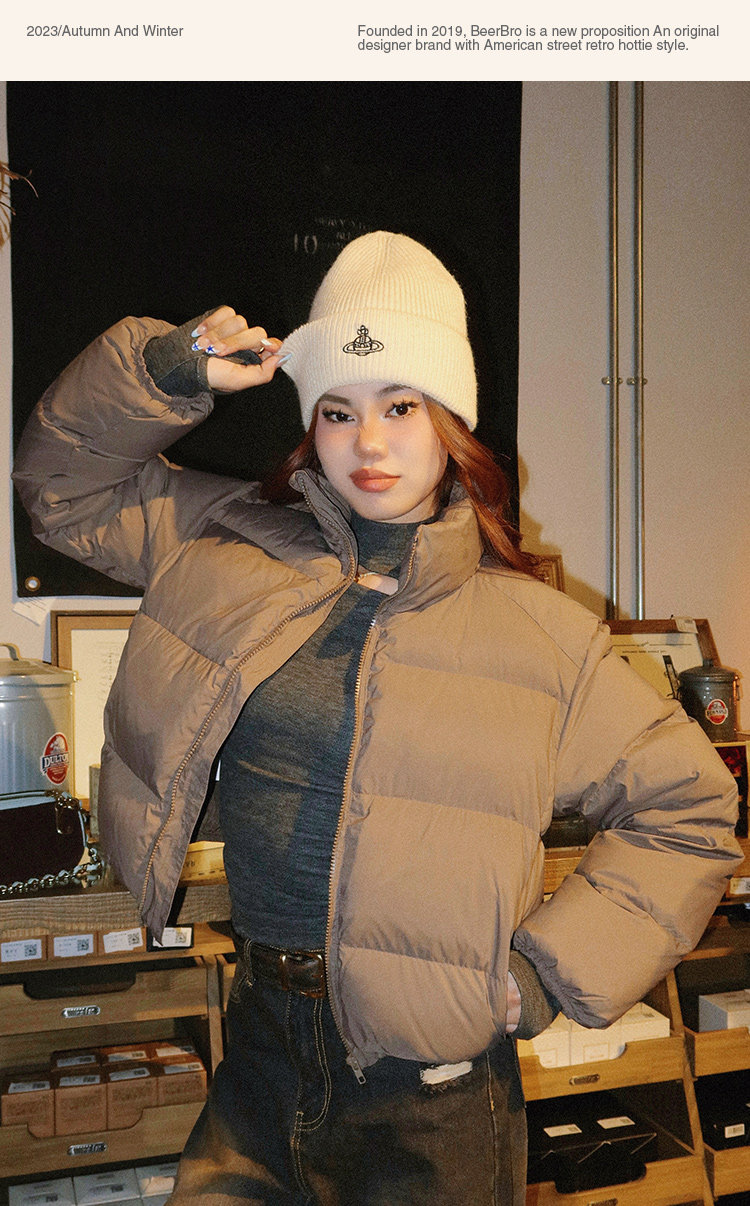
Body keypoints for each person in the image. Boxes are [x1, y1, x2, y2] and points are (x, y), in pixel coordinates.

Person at [14, 231, 741, 1205]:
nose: (368, 443)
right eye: (338, 410)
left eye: (401, 406)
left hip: (430, 1097)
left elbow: (690, 810)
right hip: (262, 1048)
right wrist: (164, 367)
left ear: (452, 423)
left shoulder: (540, 634)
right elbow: (64, 493)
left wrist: (540, 977)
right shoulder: (228, 544)